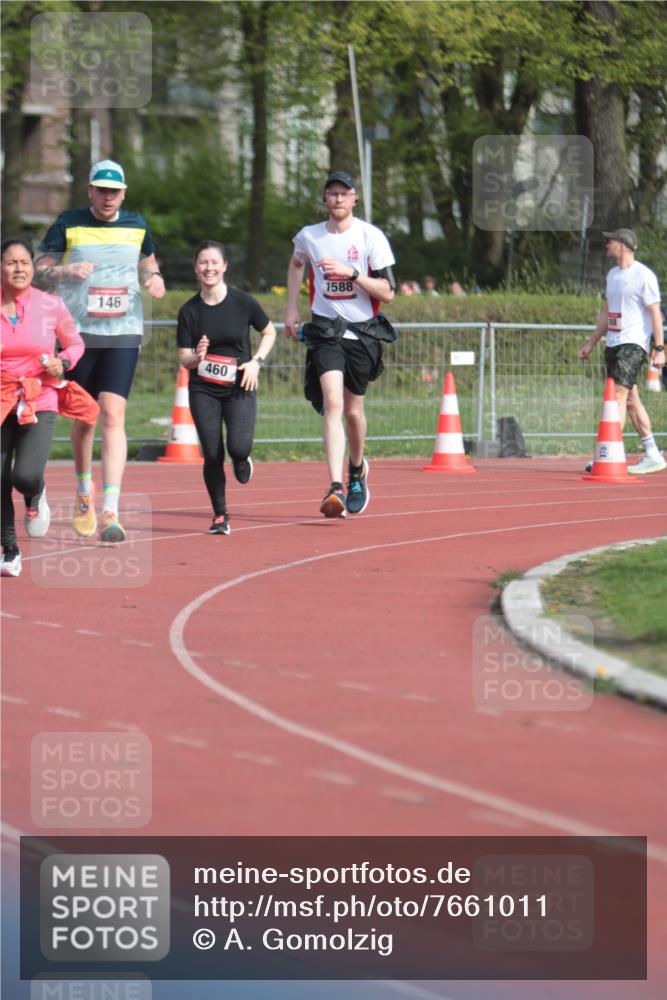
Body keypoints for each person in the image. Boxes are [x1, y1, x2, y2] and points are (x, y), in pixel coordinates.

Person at [36, 159, 166, 543]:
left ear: (123, 193)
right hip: (78, 334)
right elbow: (39, 268)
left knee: (113, 414)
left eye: (115, 191)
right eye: (101, 189)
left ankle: (111, 508)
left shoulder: (137, 224)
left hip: (123, 332)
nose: (108, 197)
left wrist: (154, 278)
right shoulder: (68, 222)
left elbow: (148, 261)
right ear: (90, 191)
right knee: (86, 418)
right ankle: (83, 493)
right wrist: (64, 272)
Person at [285, 170, 396, 517]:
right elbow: (295, 263)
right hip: (325, 330)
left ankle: (357, 468)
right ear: (324, 199)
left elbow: (388, 293)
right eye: (331, 193)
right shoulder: (309, 236)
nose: (337, 199)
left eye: (344, 194)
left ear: (354, 199)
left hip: (362, 332)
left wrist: (351, 273)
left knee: (352, 411)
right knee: (332, 403)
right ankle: (334, 487)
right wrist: (291, 308)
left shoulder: (370, 237)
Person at [1, 240, 89, 577]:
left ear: (33, 268)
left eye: (25, 262)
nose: (19, 269)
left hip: (40, 398)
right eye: (11, 263)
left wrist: (62, 361)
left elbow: (75, 343)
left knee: (23, 475)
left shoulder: (51, 305)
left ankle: (35, 492)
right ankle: (9, 547)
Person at [177, 241, 276, 535]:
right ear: (196, 268)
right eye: (203, 263)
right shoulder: (189, 311)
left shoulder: (243, 302)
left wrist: (256, 362)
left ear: (224, 266)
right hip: (203, 389)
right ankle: (220, 514)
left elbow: (269, 332)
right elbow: (184, 358)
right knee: (212, 453)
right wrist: (197, 356)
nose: (209, 268)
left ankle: (242, 457)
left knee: (238, 446)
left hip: (239, 385)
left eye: (214, 262)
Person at [579, 227, 665, 475]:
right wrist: (591, 342)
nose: (607, 245)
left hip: (633, 343)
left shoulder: (644, 276)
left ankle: (607, 454)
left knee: (616, 394)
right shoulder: (613, 275)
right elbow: (607, 312)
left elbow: (655, 316)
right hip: (613, 344)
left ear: (623, 246)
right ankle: (652, 453)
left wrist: (659, 348)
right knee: (630, 401)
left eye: (611, 242)